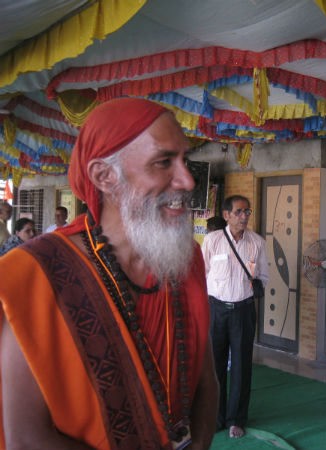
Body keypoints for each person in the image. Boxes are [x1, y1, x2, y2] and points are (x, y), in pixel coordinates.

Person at [0, 97, 218, 450]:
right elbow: (26, 440)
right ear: (104, 176)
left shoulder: (186, 259)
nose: (188, 180)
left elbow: (206, 382)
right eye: (164, 162)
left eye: (185, 160)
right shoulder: (32, 275)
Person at [201, 195, 269, 439]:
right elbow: (202, 273)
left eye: (247, 212)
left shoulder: (257, 243)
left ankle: (236, 420)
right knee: (214, 365)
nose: (244, 217)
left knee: (241, 367)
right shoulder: (212, 241)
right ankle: (215, 418)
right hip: (216, 309)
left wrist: (249, 289)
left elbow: (263, 275)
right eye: (239, 212)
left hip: (243, 310)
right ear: (227, 215)